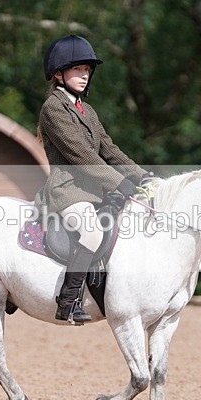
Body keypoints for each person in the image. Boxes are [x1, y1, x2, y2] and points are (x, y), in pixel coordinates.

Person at [36, 34, 148, 324]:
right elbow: (81, 156)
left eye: (87, 70)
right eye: (77, 69)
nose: (84, 75)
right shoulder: (53, 108)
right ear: (58, 74)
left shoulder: (88, 111)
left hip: (95, 191)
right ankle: (68, 301)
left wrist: (142, 176)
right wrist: (119, 184)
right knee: (92, 231)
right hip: (68, 192)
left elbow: (109, 150)